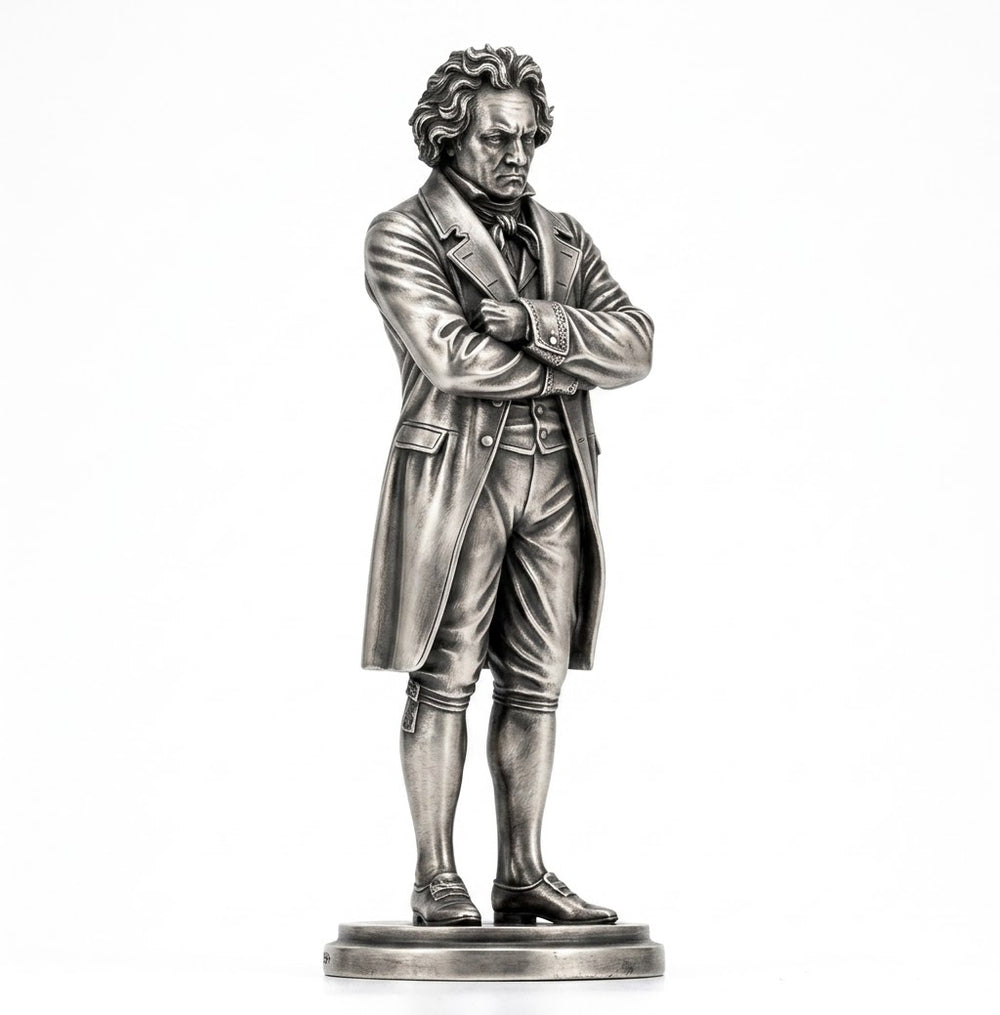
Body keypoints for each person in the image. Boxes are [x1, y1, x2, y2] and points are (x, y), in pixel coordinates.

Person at [362, 45, 653, 927]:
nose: (518, 154)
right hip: (461, 477)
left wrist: (536, 322)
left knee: (537, 681)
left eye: (528, 137)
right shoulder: (404, 233)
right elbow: (453, 358)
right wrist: (572, 361)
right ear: (449, 138)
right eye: (497, 138)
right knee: (443, 674)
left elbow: (636, 343)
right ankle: (436, 874)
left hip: (558, 477)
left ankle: (523, 870)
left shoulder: (564, 236)